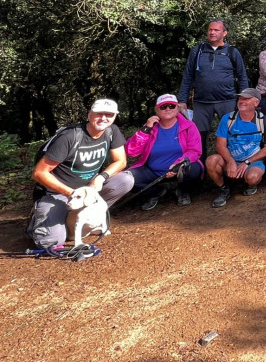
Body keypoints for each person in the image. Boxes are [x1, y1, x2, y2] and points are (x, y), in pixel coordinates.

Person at [28, 99, 134, 249]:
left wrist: (100, 177)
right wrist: (72, 194)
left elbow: (121, 161)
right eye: (99, 114)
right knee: (51, 242)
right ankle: (40, 217)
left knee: (125, 180)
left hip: (89, 189)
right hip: (58, 193)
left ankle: (87, 215)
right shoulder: (69, 137)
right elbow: (39, 173)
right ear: (89, 114)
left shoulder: (112, 131)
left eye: (109, 115)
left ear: (114, 116)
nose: (103, 118)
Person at [177, 19, 250, 147]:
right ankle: (200, 166)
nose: (212, 32)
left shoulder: (232, 52)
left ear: (224, 33)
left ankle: (230, 165)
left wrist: (244, 100)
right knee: (199, 137)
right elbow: (188, 76)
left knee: (231, 136)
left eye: (216, 30)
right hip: (202, 102)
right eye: (210, 29)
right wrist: (182, 100)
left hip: (227, 101)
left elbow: (242, 77)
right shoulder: (197, 51)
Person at [124, 94, 205, 209]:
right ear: (157, 110)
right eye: (163, 107)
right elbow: (131, 151)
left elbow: (195, 151)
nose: (168, 109)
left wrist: (179, 163)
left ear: (177, 109)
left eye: (171, 106)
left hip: (179, 169)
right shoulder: (149, 127)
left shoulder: (189, 126)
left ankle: (182, 191)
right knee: (127, 178)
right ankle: (155, 192)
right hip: (152, 171)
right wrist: (145, 130)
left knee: (194, 168)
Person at [207, 88, 266, 208]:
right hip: (230, 160)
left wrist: (247, 162)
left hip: (251, 161)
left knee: (253, 178)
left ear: (256, 103)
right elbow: (220, 145)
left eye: (246, 99)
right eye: (240, 98)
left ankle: (250, 184)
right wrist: (230, 161)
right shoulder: (227, 119)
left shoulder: (263, 120)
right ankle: (223, 188)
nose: (241, 101)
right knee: (211, 161)